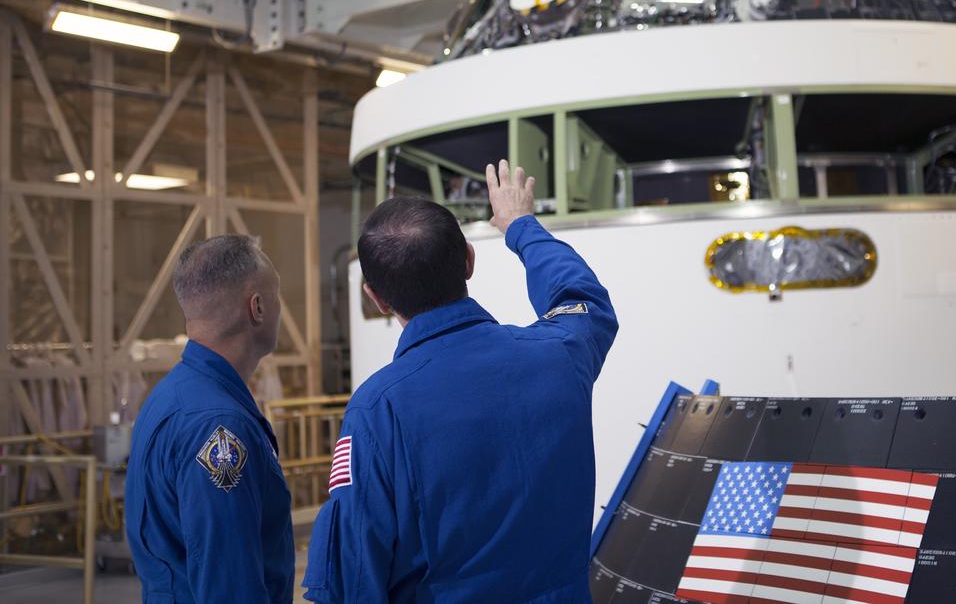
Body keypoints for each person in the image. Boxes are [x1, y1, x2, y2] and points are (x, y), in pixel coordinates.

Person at [303, 160, 619, 603]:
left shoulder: (378, 408)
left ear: (375, 298)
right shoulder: (559, 355)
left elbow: (354, 576)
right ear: (468, 260)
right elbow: (584, 301)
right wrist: (520, 226)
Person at [125, 234, 294, 603]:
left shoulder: (173, 396)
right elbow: (230, 587)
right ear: (258, 308)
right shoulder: (218, 425)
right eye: (276, 295)